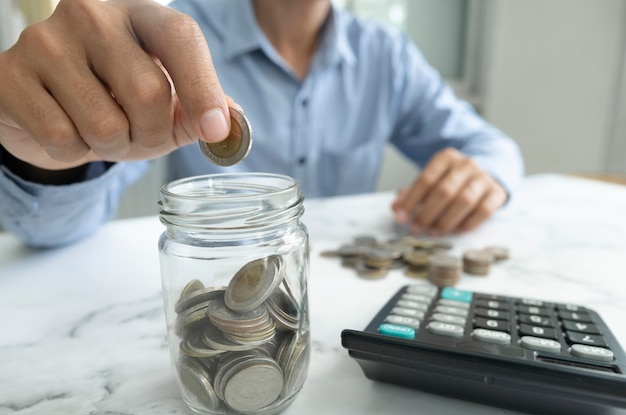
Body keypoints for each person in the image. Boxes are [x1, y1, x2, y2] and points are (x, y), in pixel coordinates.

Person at [0, 0, 523, 248]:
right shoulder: (168, 39)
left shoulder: (385, 54)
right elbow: (51, 231)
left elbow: (490, 145)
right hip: (217, 289)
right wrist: (49, 163)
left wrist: (486, 174)